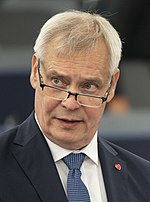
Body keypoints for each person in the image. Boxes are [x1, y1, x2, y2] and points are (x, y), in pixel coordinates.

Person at [0, 10, 150, 202]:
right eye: (57, 82)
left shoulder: (144, 179)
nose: (70, 103)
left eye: (88, 86)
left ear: (112, 86)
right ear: (35, 72)